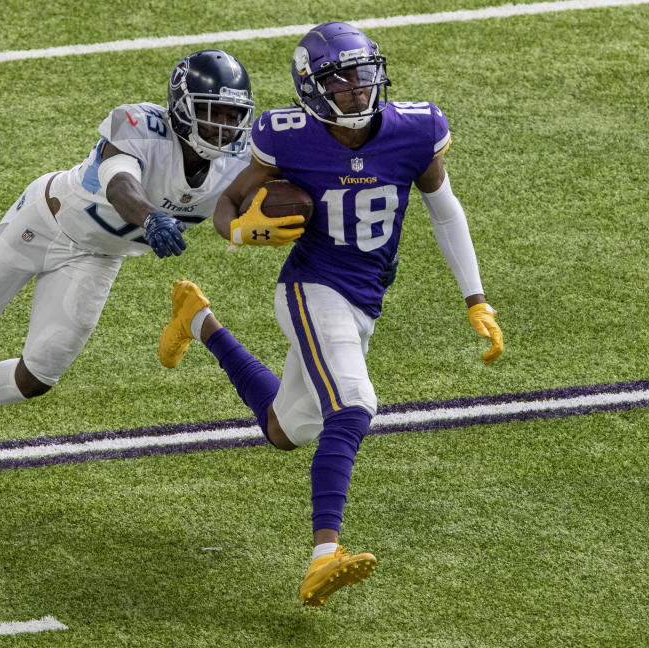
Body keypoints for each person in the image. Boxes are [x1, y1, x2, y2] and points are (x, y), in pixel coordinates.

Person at [158, 22, 505, 608]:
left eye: (363, 73)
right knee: (354, 406)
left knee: (286, 430)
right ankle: (325, 556)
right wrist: (240, 232)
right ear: (312, 89)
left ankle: (197, 320)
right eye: (339, 80)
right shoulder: (286, 135)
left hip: (365, 297)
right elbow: (228, 202)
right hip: (311, 287)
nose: (356, 88)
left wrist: (476, 298)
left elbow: (445, 213)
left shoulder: (416, 129)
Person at [0, 49, 255, 463]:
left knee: (40, 375)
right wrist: (151, 219)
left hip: (97, 255)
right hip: (43, 222)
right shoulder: (140, 125)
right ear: (181, 107)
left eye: (231, 115)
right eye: (212, 112)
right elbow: (119, 185)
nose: (223, 127)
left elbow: (249, 206)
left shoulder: (239, 163)